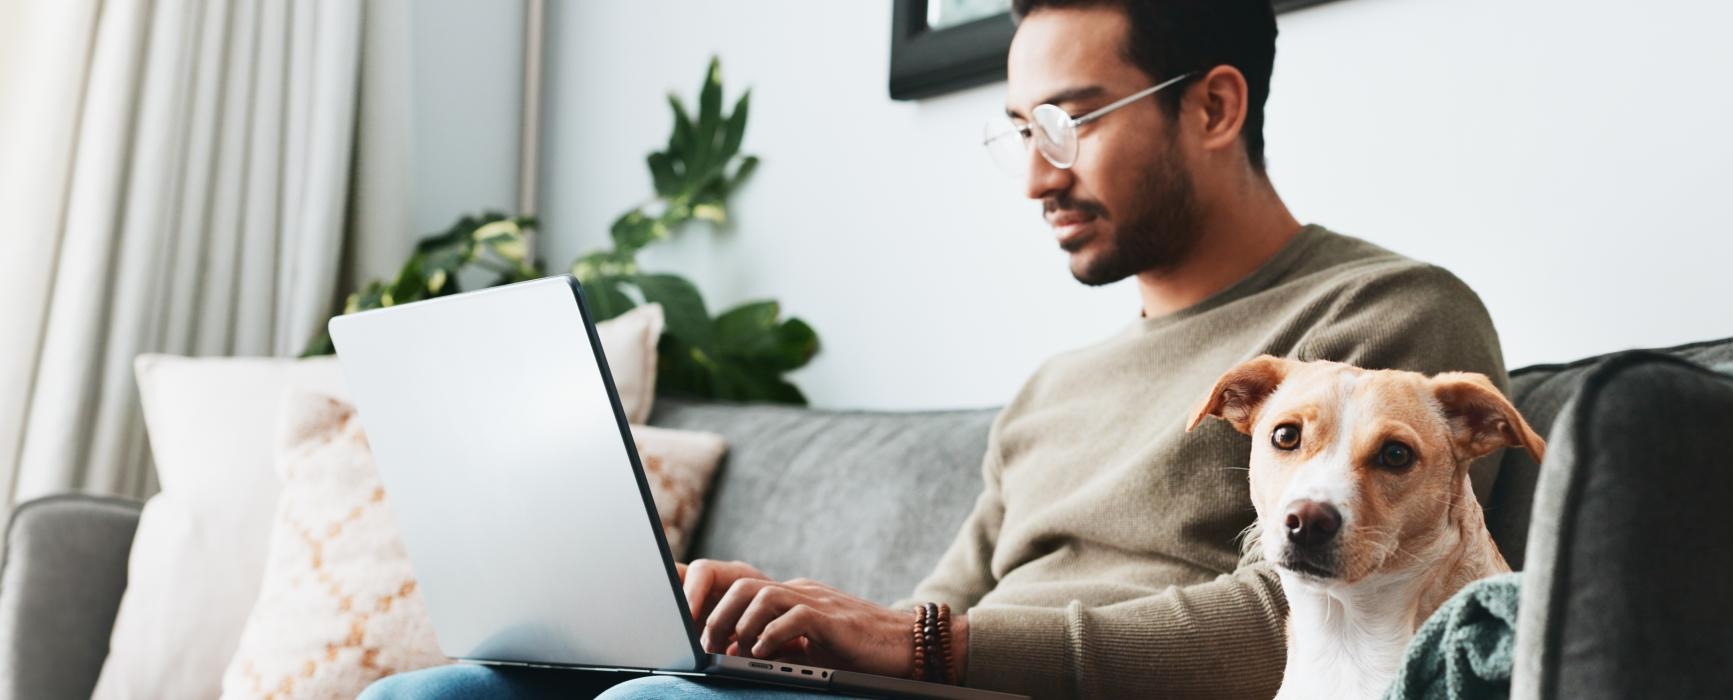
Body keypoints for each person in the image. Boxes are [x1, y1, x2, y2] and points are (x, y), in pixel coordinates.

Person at [365, 0, 1509, 698]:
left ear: (1212, 108)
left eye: (1067, 124)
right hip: (953, 684)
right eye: (1019, 132)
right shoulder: (1051, 392)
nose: (1033, 175)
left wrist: (922, 644)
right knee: (438, 692)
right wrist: (779, 624)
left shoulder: (1388, 329)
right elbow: (936, 603)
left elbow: (1300, 630)